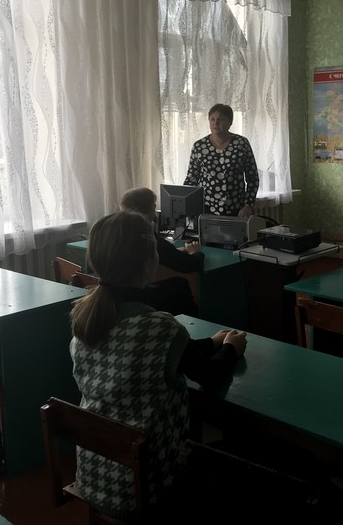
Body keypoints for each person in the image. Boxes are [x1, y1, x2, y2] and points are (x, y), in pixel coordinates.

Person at [69, 210, 247, 521]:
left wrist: (212, 342)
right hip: (149, 484)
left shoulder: (86, 322)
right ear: (149, 263)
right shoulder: (162, 328)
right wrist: (231, 348)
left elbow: (151, 352)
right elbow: (209, 376)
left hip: (94, 475)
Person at [119, 187, 203, 316]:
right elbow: (190, 265)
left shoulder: (120, 232)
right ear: (148, 209)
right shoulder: (147, 237)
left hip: (126, 296)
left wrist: (176, 252)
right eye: (154, 205)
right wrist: (195, 252)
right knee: (179, 285)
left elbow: (164, 254)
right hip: (149, 299)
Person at [184, 103, 259, 218]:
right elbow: (191, 180)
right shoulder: (199, 146)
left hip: (236, 210)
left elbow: (253, 178)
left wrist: (248, 205)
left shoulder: (241, 144)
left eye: (221, 119)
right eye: (212, 119)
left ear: (230, 122)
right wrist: (186, 206)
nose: (216, 123)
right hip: (206, 210)